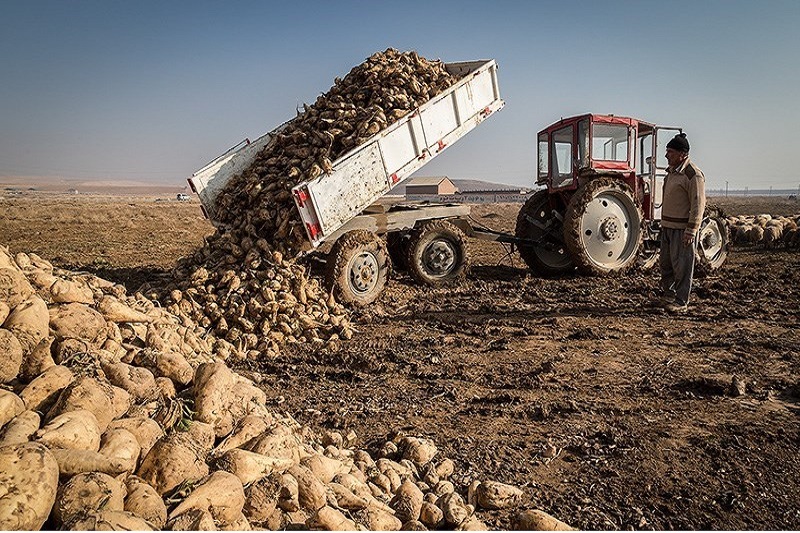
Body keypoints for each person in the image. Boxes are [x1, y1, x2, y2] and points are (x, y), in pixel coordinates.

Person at [659, 132, 706, 313]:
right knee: (666, 264)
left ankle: (681, 301)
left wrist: (691, 230)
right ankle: (668, 295)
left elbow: (698, 204)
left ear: (682, 154)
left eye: (670, 152)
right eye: (667, 151)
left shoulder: (692, 175)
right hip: (668, 226)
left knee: (683, 265)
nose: (666, 155)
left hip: (682, 229)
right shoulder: (671, 172)